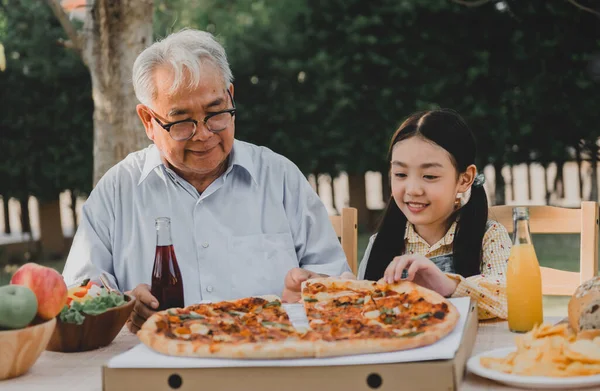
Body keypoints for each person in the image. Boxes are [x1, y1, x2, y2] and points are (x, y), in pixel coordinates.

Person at [62, 29, 350, 333]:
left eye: (215, 113)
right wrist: (122, 306)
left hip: (269, 362)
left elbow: (337, 284)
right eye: (182, 122)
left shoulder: (279, 178)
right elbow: (79, 300)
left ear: (230, 97)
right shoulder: (117, 191)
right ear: (148, 120)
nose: (203, 134)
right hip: (158, 370)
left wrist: (307, 294)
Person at [357, 109, 511, 320]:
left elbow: (511, 298)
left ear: (464, 179)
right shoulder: (380, 243)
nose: (412, 189)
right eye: (400, 174)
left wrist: (448, 285)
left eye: (429, 176)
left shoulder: (489, 236)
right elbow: (364, 311)